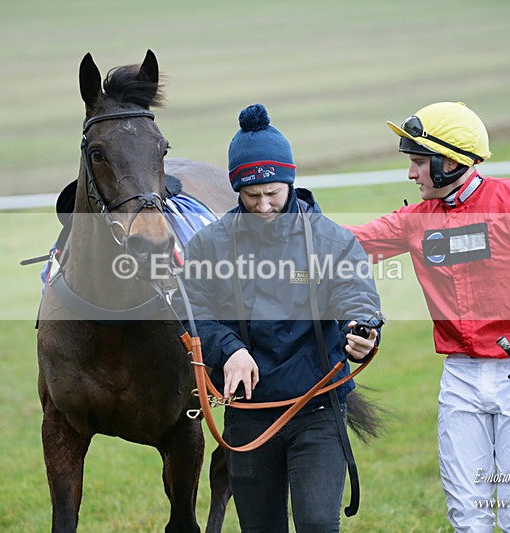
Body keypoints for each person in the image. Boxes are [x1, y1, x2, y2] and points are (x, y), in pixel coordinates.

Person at [345, 102, 510, 533]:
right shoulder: (415, 221)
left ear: (449, 161)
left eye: (418, 163)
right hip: (460, 377)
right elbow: (345, 246)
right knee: (466, 517)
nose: (411, 174)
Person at [182, 103, 384, 532]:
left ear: (290, 181)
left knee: (316, 524)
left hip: (318, 407)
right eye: (251, 195)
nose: (263, 204)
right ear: (235, 189)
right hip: (249, 410)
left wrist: (363, 331)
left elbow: (356, 295)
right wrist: (230, 349)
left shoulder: (332, 241)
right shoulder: (210, 245)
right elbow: (192, 309)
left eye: (273, 192)